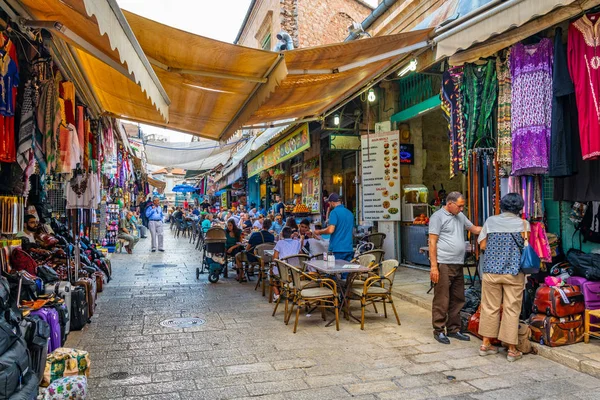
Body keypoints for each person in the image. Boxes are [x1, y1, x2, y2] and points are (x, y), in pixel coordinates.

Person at [478, 193, 529, 362]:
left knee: (489, 307)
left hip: (491, 271)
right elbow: (526, 246)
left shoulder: (491, 221)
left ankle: (486, 344)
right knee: (511, 309)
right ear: (519, 208)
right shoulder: (523, 224)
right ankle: (511, 349)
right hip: (513, 273)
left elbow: (483, 244)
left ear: (502, 205)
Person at [428, 191, 482, 345]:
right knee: (442, 298)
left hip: (458, 263)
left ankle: (454, 329)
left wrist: (492, 227)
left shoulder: (460, 216)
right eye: (459, 206)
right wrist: (434, 267)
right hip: (443, 263)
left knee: (458, 297)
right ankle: (438, 330)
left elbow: (474, 229)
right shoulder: (437, 217)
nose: (462, 209)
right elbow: (432, 242)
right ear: (449, 203)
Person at [314, 193, 354, 261]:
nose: (329, 205)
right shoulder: (350, 213)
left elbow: (330, 230)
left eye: (329, 203)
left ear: (332, 202)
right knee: (346, 270)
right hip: (349, 248)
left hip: (337, 249)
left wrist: (319, 232)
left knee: (336, 270)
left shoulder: (334, 212)